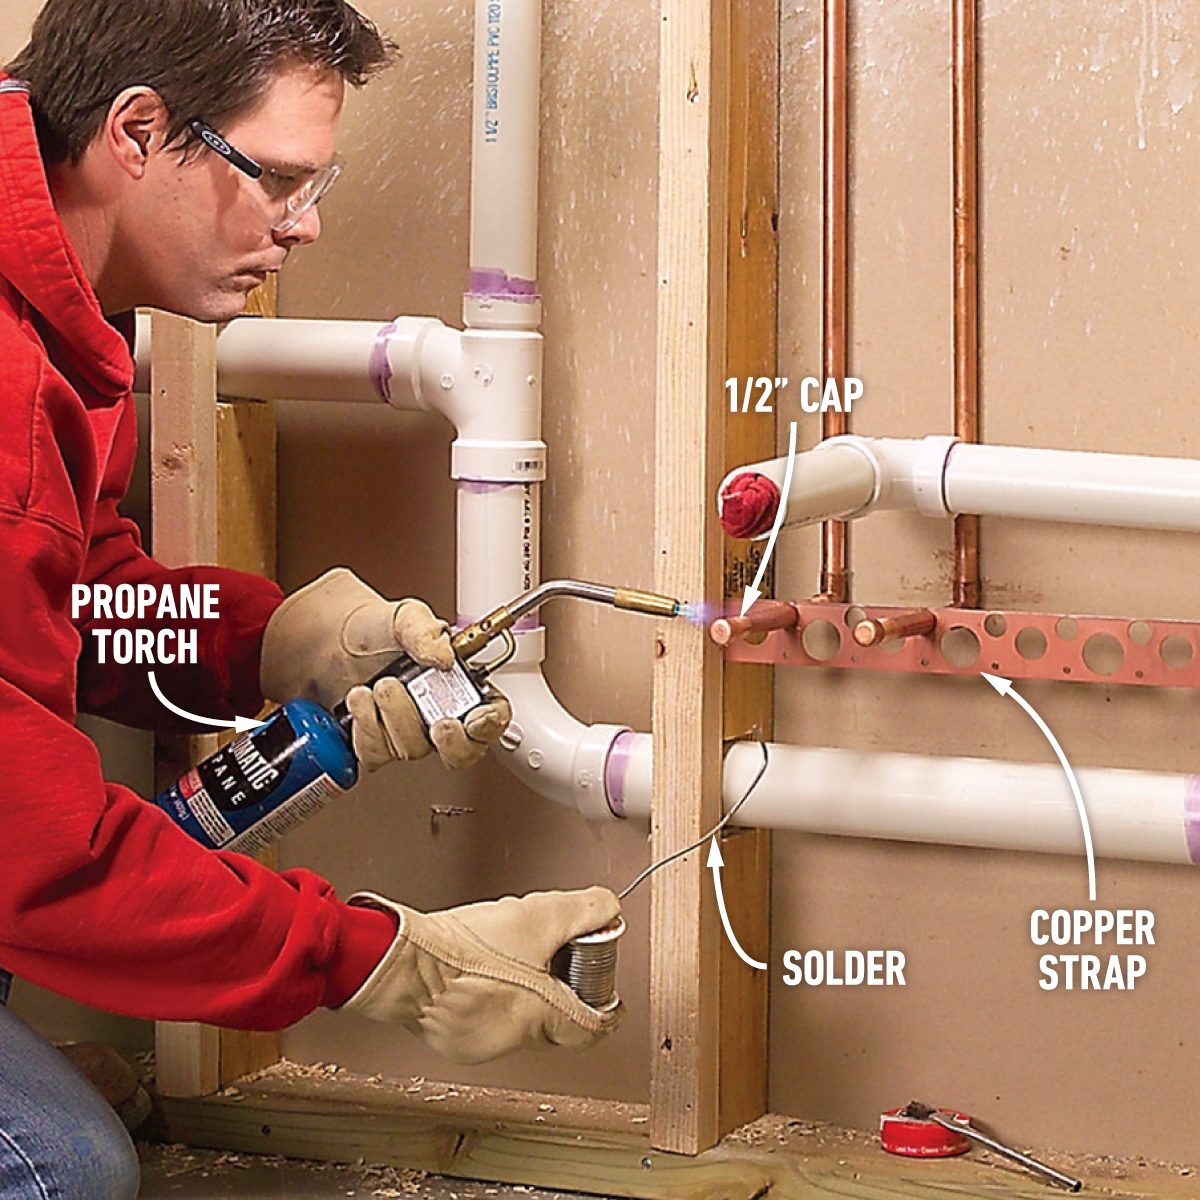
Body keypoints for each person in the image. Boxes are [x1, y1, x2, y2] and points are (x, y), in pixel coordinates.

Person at [0, 1, 622, 1195]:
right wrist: (390, 963)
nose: (306, 223)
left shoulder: (55, 277)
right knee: (60, 1166)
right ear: (137, 132)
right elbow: (33, 853)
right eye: (278, 180)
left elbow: (69, 599)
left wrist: (280, 644)